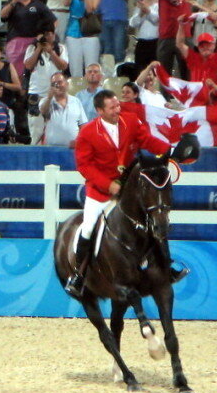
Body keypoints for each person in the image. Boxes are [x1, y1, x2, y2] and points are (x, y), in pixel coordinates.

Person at [65, 89, 180, 297]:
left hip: (130, 189)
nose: (117, 110)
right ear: (100, 110)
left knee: (154, 222)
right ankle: (78, 275)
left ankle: (166, 268)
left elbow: (148, 141)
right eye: (112, 108)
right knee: (88, 228)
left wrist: (170, 150)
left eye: (118, 105)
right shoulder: (88, 132)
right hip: (100, 192)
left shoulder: (131, 121)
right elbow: (85, 166)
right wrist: (108, 185)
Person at [1, 0, 56, 78]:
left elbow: (54, 21)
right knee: (15, 72)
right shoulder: (13, 4)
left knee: (31, 70)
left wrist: (46, 35)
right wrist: (13, 2)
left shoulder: (38, 5)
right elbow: (2, 15)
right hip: (15, 41)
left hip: (33, 41)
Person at [23, 22, 69, 144]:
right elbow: (28, 65)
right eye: (45, 34)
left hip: (56, 95)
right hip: (36, 94)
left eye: (50, 34)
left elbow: (63, 66)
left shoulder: (60, 48)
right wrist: (38, 48)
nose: (48, 37)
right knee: (35, 132)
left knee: (55, 129)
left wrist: (51, 52)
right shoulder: (32, 48)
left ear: (54, 35)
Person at [176, 17, 217, 104]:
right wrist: (181, 25)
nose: (205, 47)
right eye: (202, 45)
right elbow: (180, 44)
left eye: (208, 45)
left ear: (214, 45)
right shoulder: (193, 57)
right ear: (198, 47)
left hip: (214, 100)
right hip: (195, 100)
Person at [63, 0, 101, 78]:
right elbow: (65, 3)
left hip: (89, 31)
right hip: (73, 31)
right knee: (75, 67)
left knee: (91, 66)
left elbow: (90, 9)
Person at [39, 72, 87, 146]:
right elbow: (43, 111)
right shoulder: (45, 101)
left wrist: (79, 141)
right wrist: (49, 98)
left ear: (67, 84)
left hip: (73, 148)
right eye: (54, 84)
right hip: (52, 148)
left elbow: (83, 124)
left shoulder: (76, 101)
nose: (57, 85)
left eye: (60, 82)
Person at [128, 0, 158, 73]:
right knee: (140, 71)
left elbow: (157, 20)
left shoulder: (160, 4)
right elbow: (132, 23)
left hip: (156, 43)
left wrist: (148, 11)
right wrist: (141, 13)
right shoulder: (140, 4)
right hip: (142, 43)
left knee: (156, 73)